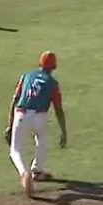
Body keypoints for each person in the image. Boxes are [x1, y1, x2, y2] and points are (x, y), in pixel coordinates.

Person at [5, 51, 68, 197]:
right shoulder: (53, 84)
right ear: (54, 66)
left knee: (15, 150)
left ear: (39, 63)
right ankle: (38, 170)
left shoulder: (26, 76)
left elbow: (14, 101)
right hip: (40, 116)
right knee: (42, 140)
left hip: (21, 114)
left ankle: (24, 172)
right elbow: (58, 109)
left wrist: (9, 125)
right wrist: (64, 131)